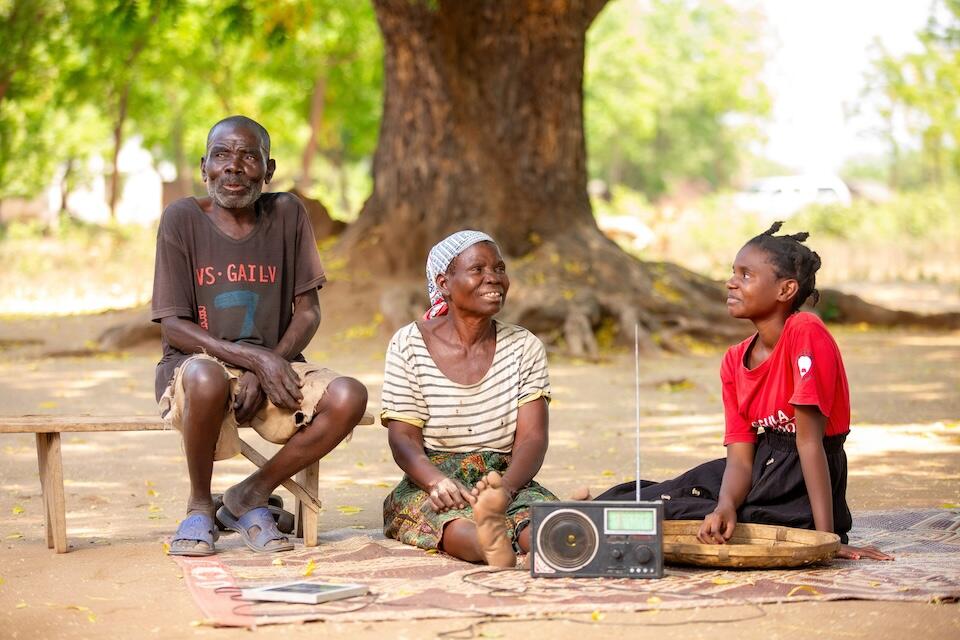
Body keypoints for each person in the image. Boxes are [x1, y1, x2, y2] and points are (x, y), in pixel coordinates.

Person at [594, 222, 893, 561]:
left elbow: (809, 442)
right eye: (733, 272)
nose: (731, 282)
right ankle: (577, 513)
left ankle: (580, 520)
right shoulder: (734, 360)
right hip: (759, 464)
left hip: (803, 479)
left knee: (691, 517)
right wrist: (725, 505)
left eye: (746, 275)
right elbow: (739, 456)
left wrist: (827, 539)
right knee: (667, 496)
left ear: (786, 290)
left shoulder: (805, 331)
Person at [152, 115, 368, 556]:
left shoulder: (288, 213)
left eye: (249, 156)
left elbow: (308, 312)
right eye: (222, 155)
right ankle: (198, 504)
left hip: (278, 361)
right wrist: (255, 361)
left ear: (268, 171)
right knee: (208, 378)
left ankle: (250, 493)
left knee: (349, 395)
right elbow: (174, 325)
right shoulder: (181, 219)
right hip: (196, 367)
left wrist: (271, 360)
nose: (234, 166)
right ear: (204, 166)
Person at [380, 230, 558, 567]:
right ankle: (492, 547)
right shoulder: (408, 344)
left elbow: (533, 438)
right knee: (450, 523)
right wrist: (436, 481)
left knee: (540, 526)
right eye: (478, 269)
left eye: (500, 269)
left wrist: (505, 489)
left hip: (507, 475)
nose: (493, 278)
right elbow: (402, 438)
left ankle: (534, 545)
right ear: (444, 282)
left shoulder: (524, 346)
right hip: (433, 477)